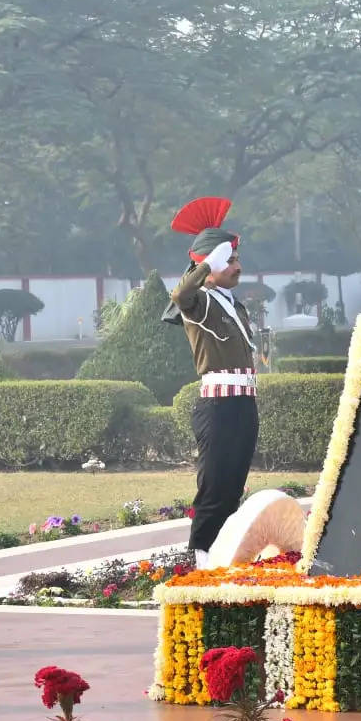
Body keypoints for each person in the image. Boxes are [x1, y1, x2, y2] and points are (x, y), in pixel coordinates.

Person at [161, 197, 258, 569]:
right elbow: (180, 295)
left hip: (243, 403)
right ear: (211, 265)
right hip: (218, 406)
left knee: (233, 487)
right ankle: (201, 557)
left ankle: (222, 555)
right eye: (230, 260)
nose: (238, 267)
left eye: (234, 259)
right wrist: (204, 265)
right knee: (214, 487)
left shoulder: (231, 302)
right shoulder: (200, 301)